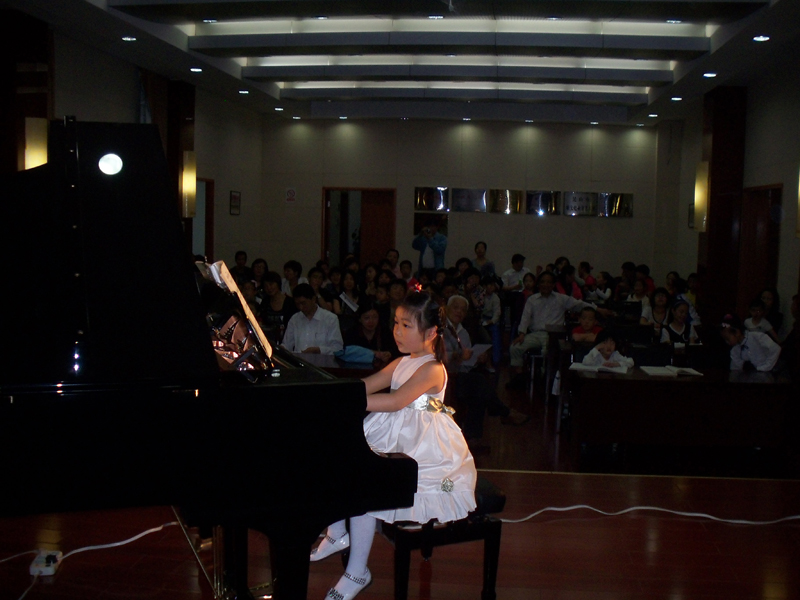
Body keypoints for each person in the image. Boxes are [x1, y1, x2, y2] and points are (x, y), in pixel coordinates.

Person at [310, 292, 476, 600]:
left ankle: (357, 571)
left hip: (421, 445)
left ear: (431, 332)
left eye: (406, 325)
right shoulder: (401, 362)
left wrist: (344, 403)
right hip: (392, 429)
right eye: (396, 323)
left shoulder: (432, 368)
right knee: (338, 450)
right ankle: (337, 532)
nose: (397, 331)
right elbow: (364, 386)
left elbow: (396, 400)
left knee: (369, 480)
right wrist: (330, 393)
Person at [443, 295, 529, 452]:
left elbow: (466, 362)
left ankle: (474, 438)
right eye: (455, 308)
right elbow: (439, 356)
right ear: (447, 309)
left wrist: (476, 359)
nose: (459, 312)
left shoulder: (463, 332)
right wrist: (459, 355)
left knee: (479, 389)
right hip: (444, 376)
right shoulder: (441, 330)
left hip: (460, 374)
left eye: (463, 310)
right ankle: (503, 412)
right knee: (478, 383)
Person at [507, 271, 608, 389]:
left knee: (548, 351)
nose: (545, 285)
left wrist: (598, 309)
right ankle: (520, 377)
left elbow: (579, 304)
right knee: (515, 347)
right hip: (535, 334)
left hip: (553, 335)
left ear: (553, 284)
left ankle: (545, 379)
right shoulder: (532, 299)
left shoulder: (561, 298)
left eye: (549, 282)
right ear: (538, 284)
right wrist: (522, 333)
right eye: (543, 282)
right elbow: (525, 318)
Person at [281, 283, 343, 355]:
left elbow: (337, 348)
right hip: (299, 360)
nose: (301, 307)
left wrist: (319, 350)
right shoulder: (295, 319)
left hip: (322, 360)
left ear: (313, 299)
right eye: (297, 304)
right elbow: (287, 345)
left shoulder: (330, 319)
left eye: (303, 303)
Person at [343, 299, 399, 367]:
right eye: (367, 318)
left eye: (375, 317)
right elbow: (347, 352)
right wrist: (374, 353)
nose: (371, 321)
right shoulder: (352, 333)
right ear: (360, 319)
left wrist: (389, 354)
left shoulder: (385, 332)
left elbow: (395, 350)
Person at [259, 271, 297, 344]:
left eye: (271, 284)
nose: (269, 288)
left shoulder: (290, 303)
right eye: (266, 286)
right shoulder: (265, 302)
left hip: (288, 341)